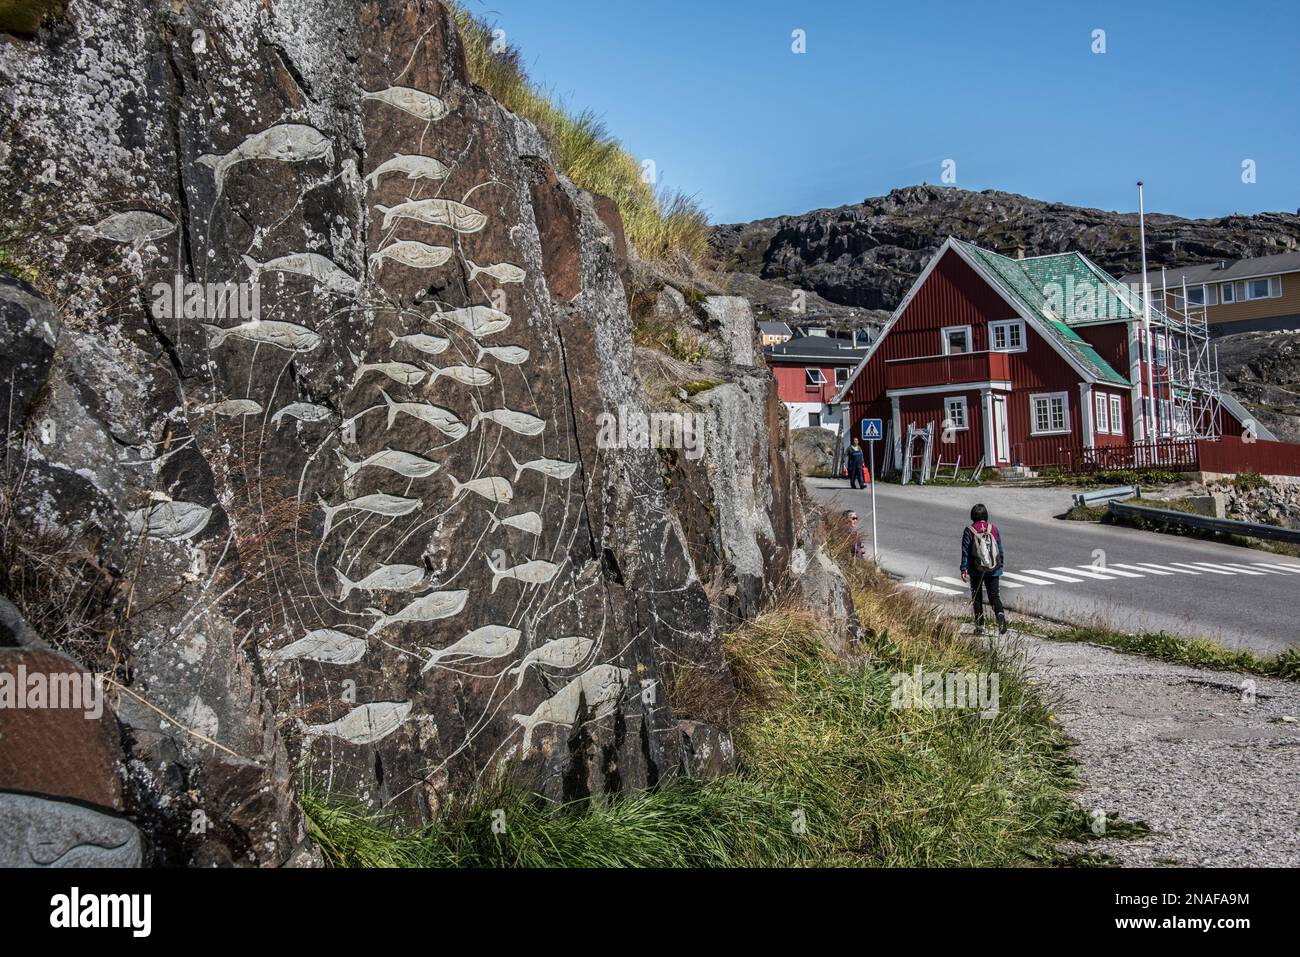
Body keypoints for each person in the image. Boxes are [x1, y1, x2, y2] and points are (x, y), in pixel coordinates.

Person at [959, 503, 1006, 635]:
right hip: (993, 568)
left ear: (972, 516)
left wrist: (964, 569)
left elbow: (965, 552)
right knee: (994, 596)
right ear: (986, 515)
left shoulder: (969, 530)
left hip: (976, 569)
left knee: (977, 597)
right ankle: (1000, 616)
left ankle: (980, 627)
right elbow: (999, 548)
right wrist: (1000, 564)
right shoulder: (993, 529)